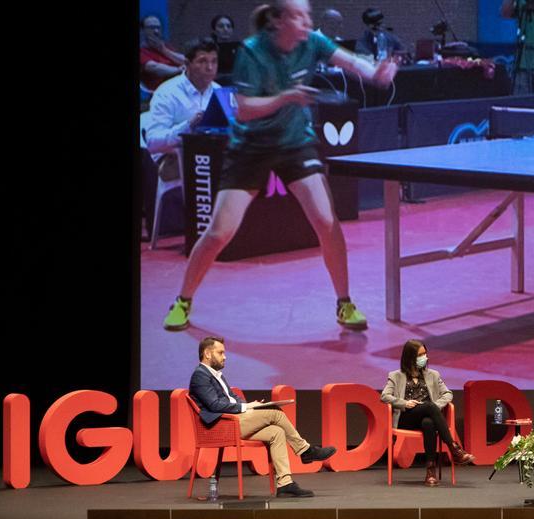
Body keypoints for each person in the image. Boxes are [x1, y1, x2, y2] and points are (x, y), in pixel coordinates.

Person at [162, 0, 398, 332]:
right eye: (299, 17)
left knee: (327, 222)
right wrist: (286, 97)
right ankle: (182, 302)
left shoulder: (311, 42)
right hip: (252, 147)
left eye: (308, 16)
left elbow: (350, 60)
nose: (307, 23)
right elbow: (243, 109)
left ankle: (344, 303)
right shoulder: (252, 51)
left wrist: (376, 73)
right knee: (219, 233)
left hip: (295, 143)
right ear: (277, 21)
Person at [190, 336, 336, 498]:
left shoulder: (218, 375)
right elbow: (215, 405)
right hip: (221, 427)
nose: (225, 356)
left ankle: (285, 483)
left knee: (276, 432)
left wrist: (250, 406)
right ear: (207, 354)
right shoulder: (200, 375)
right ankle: (305, 450)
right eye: (220, 353)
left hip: (233, 421)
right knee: (275, 412)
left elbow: (233, 398)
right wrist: (246, 407)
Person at [380, 340, 474, 486]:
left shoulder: (433, 375)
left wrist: (434, 407)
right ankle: (454, 450)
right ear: (410, 357)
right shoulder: (395, 375)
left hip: (428, 416)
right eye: (420, 355)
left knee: (429, 423)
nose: (425, 358)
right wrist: (404, 403)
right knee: (429, 409)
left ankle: (431, 471)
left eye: (425, 354)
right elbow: (385, 396)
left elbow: (448, 394)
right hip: (407, 418)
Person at [145, 38, 219, 185]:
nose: (210, 67)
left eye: (214, 61)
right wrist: (189, 126)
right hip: (174, 158)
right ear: (186, 64)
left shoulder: (219, 91)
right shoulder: (167, 92)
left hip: (213, 154)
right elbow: (153, 143)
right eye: (202, 61)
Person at [140, 14, 187, 92]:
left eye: (158, 27)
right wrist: (178, 70)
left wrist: (164, 50)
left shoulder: (165, 46)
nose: (156, 31)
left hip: (178, 86)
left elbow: (185, 60)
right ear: (143, 30)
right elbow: (154, 67)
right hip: (161, 89)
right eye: (151, 28)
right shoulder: (141, 51)